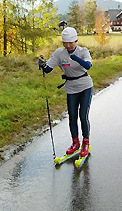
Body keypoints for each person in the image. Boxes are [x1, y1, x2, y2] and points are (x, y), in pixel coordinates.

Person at [38, 27, 93, 157]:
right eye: (65, 43)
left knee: (83, 115)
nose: (68, 46)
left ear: (76, 41)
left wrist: (75, 58)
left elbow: (88, 66)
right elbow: (48, 69)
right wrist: (42, 64)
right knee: (72, 116)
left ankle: (86, 142)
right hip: (71, 88)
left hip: (85, 86)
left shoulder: (83, 51)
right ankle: (75, 143)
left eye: (70, 43)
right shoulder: (59, 53)